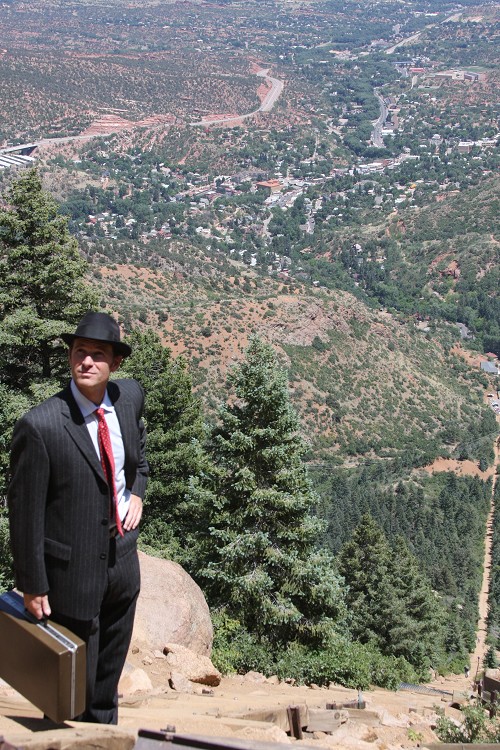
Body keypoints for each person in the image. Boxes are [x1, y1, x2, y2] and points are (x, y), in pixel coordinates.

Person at [8, 311, 148, 724]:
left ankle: (105, 739)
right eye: (80, 352)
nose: (87, 361)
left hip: (122, 563)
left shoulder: (128, 398)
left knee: (107, 684)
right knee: (69, 692)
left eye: (98, 354)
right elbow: (24, 511)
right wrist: (32, 583)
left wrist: (138, 491)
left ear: (115, 363)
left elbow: (138, 450)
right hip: (70, 573)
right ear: (70, 356)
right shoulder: (41, 425)